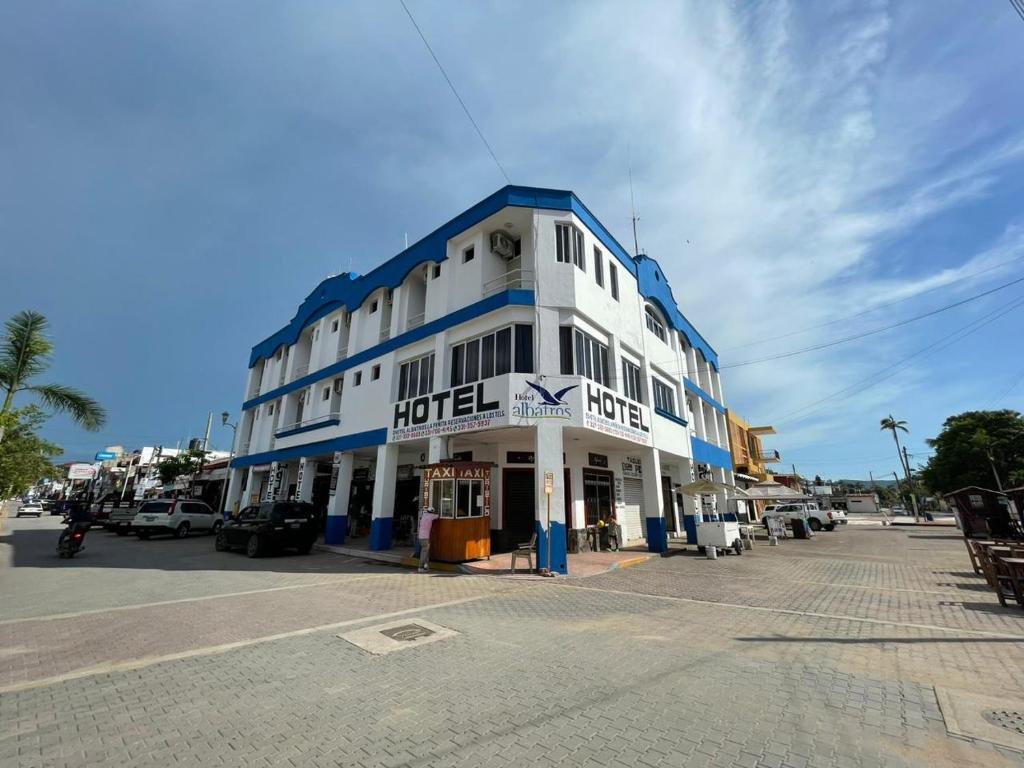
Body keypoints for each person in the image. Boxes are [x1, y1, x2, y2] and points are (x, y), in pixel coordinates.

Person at [417, 505, 439, 573]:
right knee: (424, 552)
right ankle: (421, 567)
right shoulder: (431, 516)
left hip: (420, 537)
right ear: (432, 512)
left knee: (425, 551)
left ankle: (425, 566)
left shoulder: (424, 515)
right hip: (425, 537)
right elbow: (438, 516)